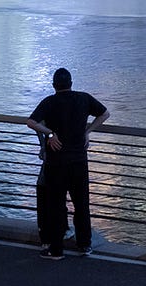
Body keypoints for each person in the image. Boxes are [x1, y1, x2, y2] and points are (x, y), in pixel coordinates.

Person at [26, 67, 108, 259]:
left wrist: (50, 134)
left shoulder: (49, 102)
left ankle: (56, 250)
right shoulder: (83, 98)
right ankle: (84, 245)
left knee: (56, 205)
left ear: (54, 85)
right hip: (79, 160)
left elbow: (30, 122)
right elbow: (105, 114)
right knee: (81, 204)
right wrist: (87, 131)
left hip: (57, 162)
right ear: (71, 84)